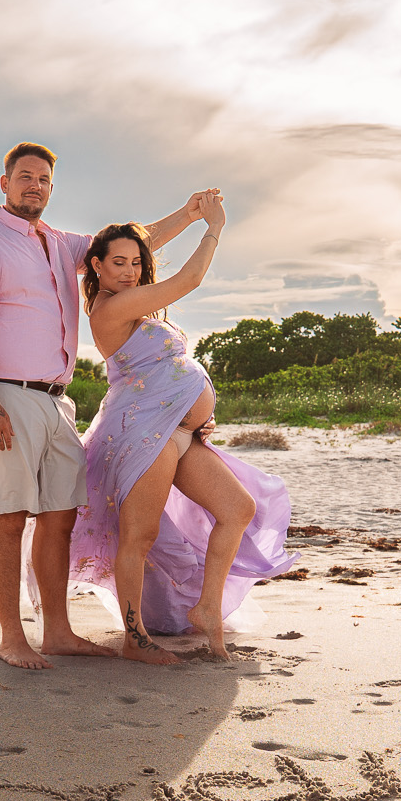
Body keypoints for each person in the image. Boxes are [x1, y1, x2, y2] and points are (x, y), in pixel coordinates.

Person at [0, 142, 214, 670]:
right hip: (4, 394)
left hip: (56, 401)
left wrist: (188, 214)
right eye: (25, 177)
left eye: (44, 179)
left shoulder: (59, 244)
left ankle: (57, 632)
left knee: (59, 517)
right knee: (8, 516)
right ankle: (11, 638)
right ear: (5, 183)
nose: (35, 186)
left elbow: (130, 244)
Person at [68, 195, 295, 663]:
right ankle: (135, 639)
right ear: (97, 266)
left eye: (136, 262)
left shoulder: (134, 302)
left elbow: (140, 242)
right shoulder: (109, 308)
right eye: (118, 263)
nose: (130, 271)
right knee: (139, 536)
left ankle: (207, 608)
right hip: (142, 433)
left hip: (176, 431)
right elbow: (188, 280)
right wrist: (213, 227)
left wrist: (188, 215)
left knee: (237, 508)